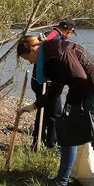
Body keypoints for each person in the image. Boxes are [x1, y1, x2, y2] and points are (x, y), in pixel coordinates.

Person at [17, 35, 94, 186]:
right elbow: (57, 87)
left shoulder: (53, 55)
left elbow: (80, 78)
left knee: (68, 138)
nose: (29, 62)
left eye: (27, 58)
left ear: (33, 49)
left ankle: (60, 185)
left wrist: (71, 106)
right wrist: (35, 106)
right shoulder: (55, 49)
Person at [30, 19, 76, 151]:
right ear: (69, 31)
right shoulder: (53, 36)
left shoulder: (48, 33)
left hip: (39, 79)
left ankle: (38, 141)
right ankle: (50, 144)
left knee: (43, 109)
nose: (70, 36)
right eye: (71, 33)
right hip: (46, 81)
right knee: (54, 113)